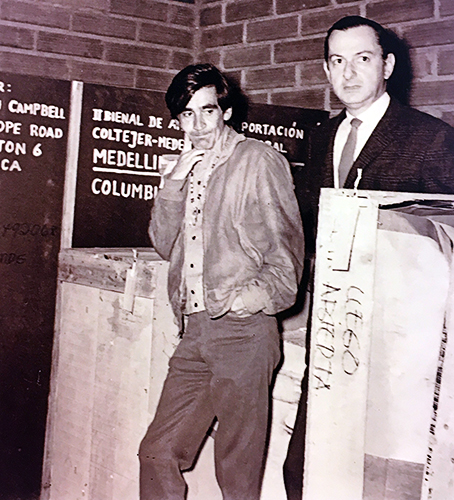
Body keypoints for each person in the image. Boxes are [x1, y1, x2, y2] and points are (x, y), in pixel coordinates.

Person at [284, 15, 454, 500]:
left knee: (382, 481)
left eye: (363, 58)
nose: (349, 73)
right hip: (334, 334)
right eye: (337, 61)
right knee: (303, 470)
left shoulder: (430, 139)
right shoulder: (320, 137)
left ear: (388, 65)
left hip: (401, 345)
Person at [139, 63, 305, 500]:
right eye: (186, 115)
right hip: (195, 331)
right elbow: (161, 243)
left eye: (207, 112)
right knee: (158, 451)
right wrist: (174, 181)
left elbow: (287, 260)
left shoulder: (259, 161)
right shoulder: (183, 166)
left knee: (236, 468)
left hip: (243, 332)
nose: (196, 125)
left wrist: (248, 300)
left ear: (226, 112)